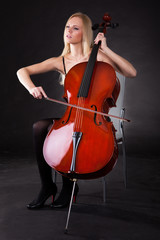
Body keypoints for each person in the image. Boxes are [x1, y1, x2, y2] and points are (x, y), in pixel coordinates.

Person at [16, 12, 137, 209]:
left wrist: (106, 49)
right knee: (39, 127)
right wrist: (32, 87)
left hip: (95, 120)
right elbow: (22, 71)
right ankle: (47, 186)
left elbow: (131, 72)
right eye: (67, 27)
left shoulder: (99, 57)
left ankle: (69, 188)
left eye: (75, 28)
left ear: (85, 33)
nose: (69, 31)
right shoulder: (61, 61)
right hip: (72, 117)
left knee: (70, 136)